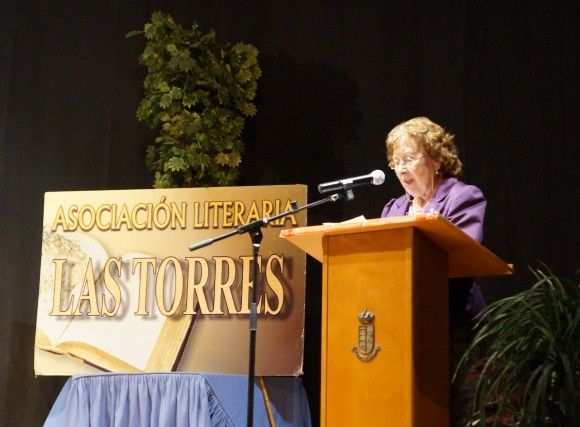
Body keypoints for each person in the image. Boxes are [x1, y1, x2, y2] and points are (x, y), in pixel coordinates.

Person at [381, 116, 486, 426]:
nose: (401, 168)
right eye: (395, 161)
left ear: (437, 159)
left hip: (453, 327)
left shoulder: (461, 197)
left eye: (409, 158)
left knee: (456, 414)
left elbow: (461, 253)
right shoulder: (394, 209)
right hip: (403, 329)